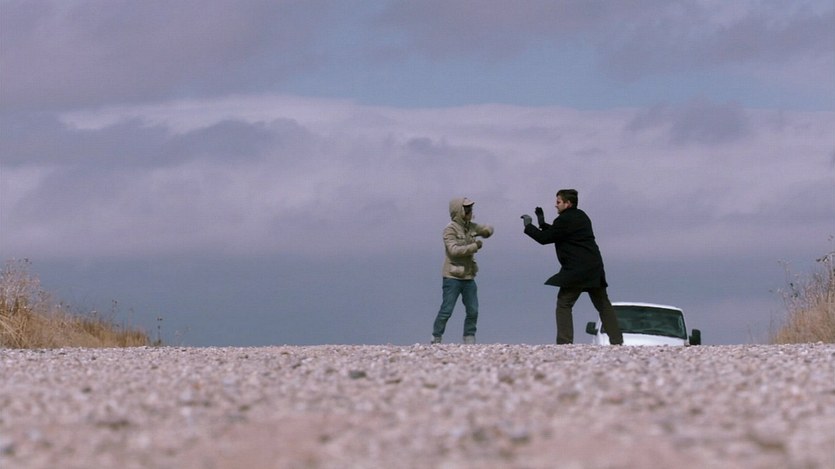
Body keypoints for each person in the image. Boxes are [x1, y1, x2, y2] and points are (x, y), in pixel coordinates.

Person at [521, 189, 623, 345]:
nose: (555, 205)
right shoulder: (581, 216)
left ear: (568, 203)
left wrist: (529, 226)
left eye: (558, 202)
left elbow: (545, 238)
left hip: (577, 270)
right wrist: (542, 223)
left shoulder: (564, 220)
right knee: (603, 304)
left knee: (564, 303)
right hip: (594, 267)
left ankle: (565, 342)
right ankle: (617, 341)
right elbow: (559, 233)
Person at [431, 197, 494, 344]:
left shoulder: (471, 227)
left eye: (470, 208)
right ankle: (436, 337)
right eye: (466, 209)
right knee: (446, 310)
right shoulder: (450, 230)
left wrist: (487, 231)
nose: (470, 211)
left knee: (473, 310)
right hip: (452, 276)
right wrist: (474, 247)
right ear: (459, 211)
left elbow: (486, 229)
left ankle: (469, 337)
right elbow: (453, 250)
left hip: (468, 276)